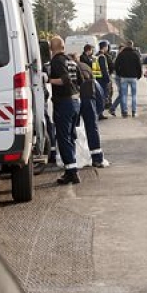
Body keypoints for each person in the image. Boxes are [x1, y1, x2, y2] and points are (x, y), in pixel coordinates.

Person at [48, 36, 82, 185]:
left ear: (51, 48)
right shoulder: (71, 60)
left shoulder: (57, 61)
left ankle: (72, 173)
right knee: (70, 136)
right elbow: (79, 80)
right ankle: (71, 169)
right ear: (63, 46)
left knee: (63, 138)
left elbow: (65, 79)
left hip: (64, 103)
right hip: (75, 101)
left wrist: (48, 80)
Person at [70, 53, 107, 168]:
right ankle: (97, 158)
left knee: (72, 129)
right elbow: (97, 88)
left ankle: (74, 157)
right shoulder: (86, 67)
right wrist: (99, 109)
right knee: (91, 127)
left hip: (75, 99)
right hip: (89, 98)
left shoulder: (69, 68)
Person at [114, 40, 142, 118]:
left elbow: (116, 65)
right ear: (132, 45)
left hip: (123, 77)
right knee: (133, 95)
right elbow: (139, 66)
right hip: (133, 77)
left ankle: (125, 112)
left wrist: (119, 73)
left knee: (124, 95)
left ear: (126, 45)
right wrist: (139, 75)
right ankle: (133, 111)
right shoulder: (135, 54)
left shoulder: (121, 54)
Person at [95, 41, 112, 120]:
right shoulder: (102, 56)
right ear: (105, 47)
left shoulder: (96, 56)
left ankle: (98, 112)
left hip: (97, 78)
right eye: (107, 47)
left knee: (99, 96)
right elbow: (104, 69)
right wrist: (108, 79)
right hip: (102, 79)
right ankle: (100, 113)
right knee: (103, 96)